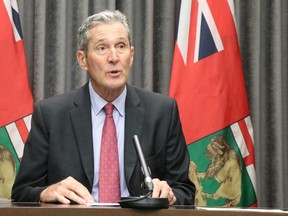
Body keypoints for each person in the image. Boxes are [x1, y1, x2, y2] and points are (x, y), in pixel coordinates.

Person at [12, 10, 195, 205]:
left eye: (121, 46)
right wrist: (46, 192)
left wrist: (171, 194)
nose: (114, 57)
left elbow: (185, 191)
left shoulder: (162, 112)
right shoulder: (51, 115)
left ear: (131, 56)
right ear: (83, 60)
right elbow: (22, 192)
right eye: (102, 48)